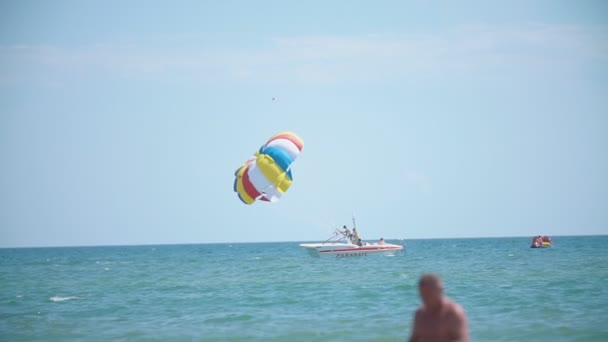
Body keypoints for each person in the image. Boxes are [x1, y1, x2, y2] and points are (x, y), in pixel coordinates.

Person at [409, 273, 469, 342]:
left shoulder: (453, 313)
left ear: (439, 290)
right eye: (422, 295)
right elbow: (414, 339)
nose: (425, 299)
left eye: (429, 295)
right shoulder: (420, 314)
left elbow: (462, 339)